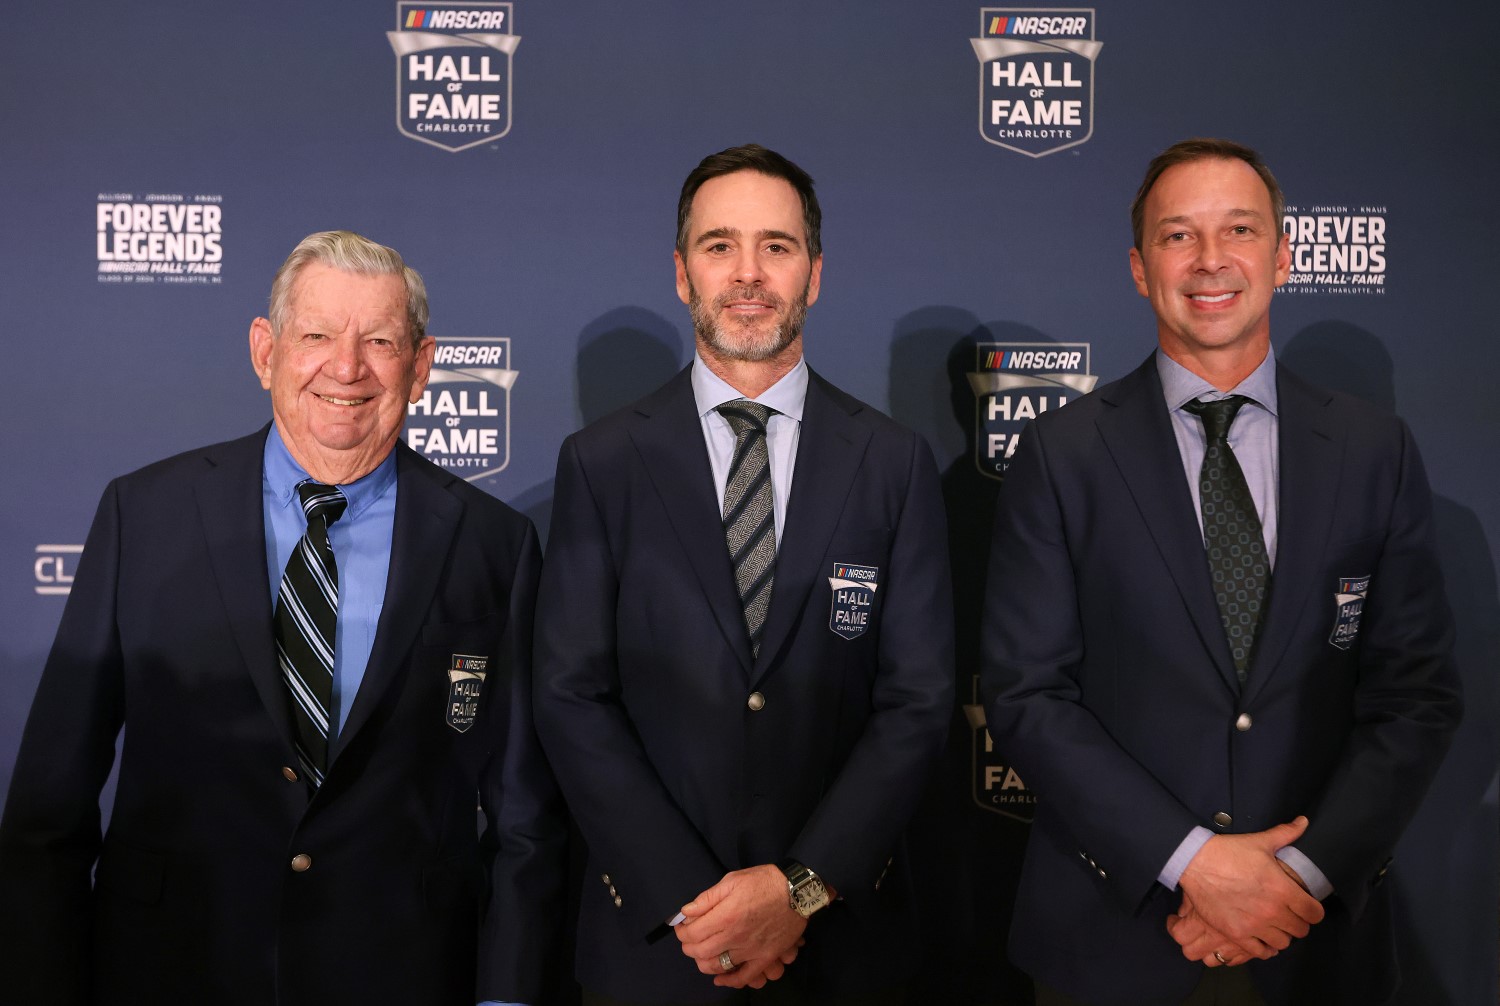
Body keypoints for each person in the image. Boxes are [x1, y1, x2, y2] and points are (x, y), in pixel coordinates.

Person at [0, 230, 566, 1005]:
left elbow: (525, 818)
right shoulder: (147, 515)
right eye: (317, 336)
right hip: (169, 972)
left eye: (379, 341)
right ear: (266, 351)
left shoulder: (495, 545)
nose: (346, 367)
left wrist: (505, 997)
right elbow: (49, 806)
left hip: (403, 976)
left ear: (423, 366)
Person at [980, 138, 1462, 1005]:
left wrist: (1299, 876)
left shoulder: (1373, 451)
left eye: (1239, 230)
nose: (1211, 260)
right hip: (1115, 937)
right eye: (1178, 236)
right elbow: (1026, 696)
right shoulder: (1062, 454)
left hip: (1314, 944)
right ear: (1139, 268)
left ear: (1282, 255)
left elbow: (1415, 696)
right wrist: (1192, 862)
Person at [532, 144, 953, 1004]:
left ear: (816, 273)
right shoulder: (603, 463)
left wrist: (798, 889)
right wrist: (696, 903)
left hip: (841, 948)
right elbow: (571, 697)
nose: (749, 273)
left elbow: (918, 703)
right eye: (720, 245)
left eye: (778, 245)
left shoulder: (893, 463)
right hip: (658, 946)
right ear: (683, 274)